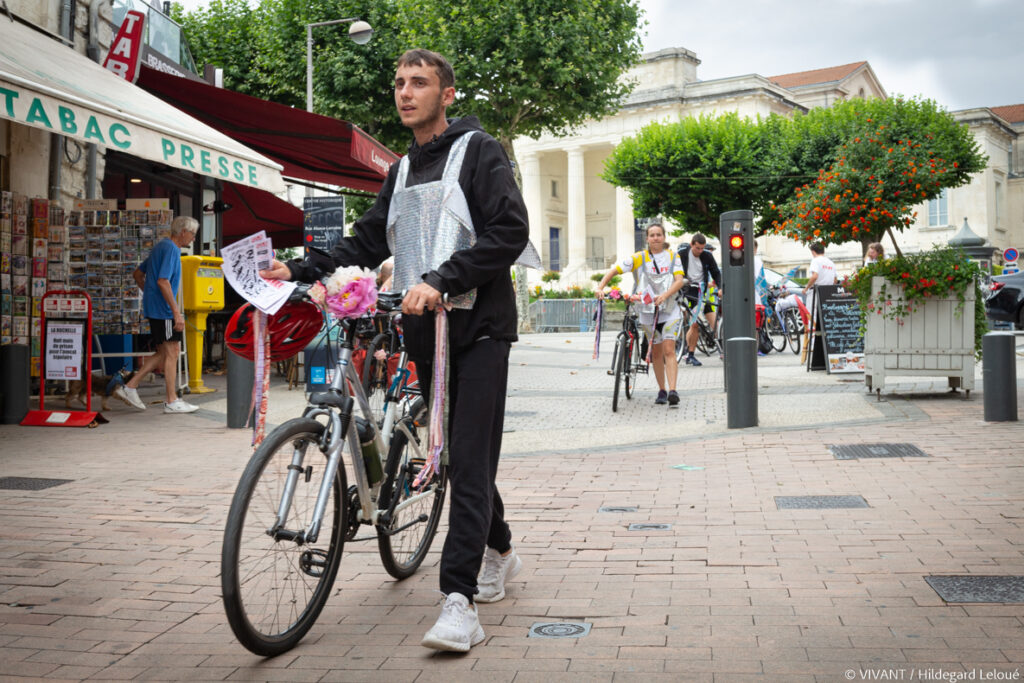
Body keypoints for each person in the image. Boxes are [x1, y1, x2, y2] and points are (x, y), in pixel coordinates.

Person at [260, 49, 528, 653]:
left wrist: (443, 279)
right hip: (421, 334)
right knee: (459, 454)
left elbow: (509, 231)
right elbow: (367, 237)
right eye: (400, 82)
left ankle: (458, 602)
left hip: (479, 329)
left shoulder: (479, 151)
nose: (406, 92)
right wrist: (299, 267)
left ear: (448, 94)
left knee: (464, 451)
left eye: (420, 83)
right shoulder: (403, 168)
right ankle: (501, 549)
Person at [596, 222, 686, 406]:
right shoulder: (639, 258)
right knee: (657, 352)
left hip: (669, 310)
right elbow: (614, 270)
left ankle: (673, 391)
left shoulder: (673, 257)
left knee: (669, 349)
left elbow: (679, 281)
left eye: (658, 234)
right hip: (647, 313)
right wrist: (600, 287)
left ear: (664, 237)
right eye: (652, 235)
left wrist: (665, 295)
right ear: (647, 238)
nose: (655, 238)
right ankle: (661, 390)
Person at [116, 216, 199, 414]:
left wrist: (149, 294)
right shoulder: (171, 249)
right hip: (164, 310)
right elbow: (163, 281)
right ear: (182, 232)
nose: (193, 238)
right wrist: (176, 312)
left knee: (164, 352)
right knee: (172, 351)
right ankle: (171, 400)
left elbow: (138, 274)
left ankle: (130, 385)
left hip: (155, 308)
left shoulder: (160, 246)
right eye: (192, 234)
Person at [676, 233, 722, 367]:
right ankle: (685, 351)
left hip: (700, 291)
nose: (700, 251)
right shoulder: (681, 254)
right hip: (684, 289)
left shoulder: (707, 255)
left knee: (695, 323)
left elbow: (716, 272)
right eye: (697, 248)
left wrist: (720, 288)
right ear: (692, 245)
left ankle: (690, 354)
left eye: (702, 248)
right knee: (688, 322)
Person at [803, 241, 836, 324]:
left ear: (813, 252)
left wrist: (806, 288)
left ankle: (813, 336)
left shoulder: (815, 260)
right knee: (825, 316)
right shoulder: (831, 262)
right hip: (827, 293)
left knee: (812, 316)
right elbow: (835, 279)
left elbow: (814, 276)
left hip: (815, 292)